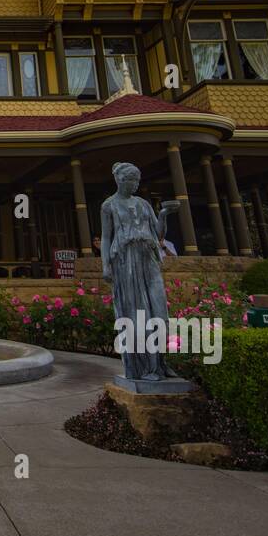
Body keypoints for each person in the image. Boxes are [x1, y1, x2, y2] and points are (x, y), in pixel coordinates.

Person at [100, 161, 179, 382]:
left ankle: (160, 363)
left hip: (148, 258)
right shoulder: (109, 206)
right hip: (125, 261)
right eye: (130, 180)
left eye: (137, 180)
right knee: (137, 315)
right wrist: (105, 265)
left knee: (159, 310)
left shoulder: (143, 204)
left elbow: (158, 232)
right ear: (119, 180)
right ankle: (144, 368)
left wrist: (163, 214)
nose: (134, 184)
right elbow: (106, 237)